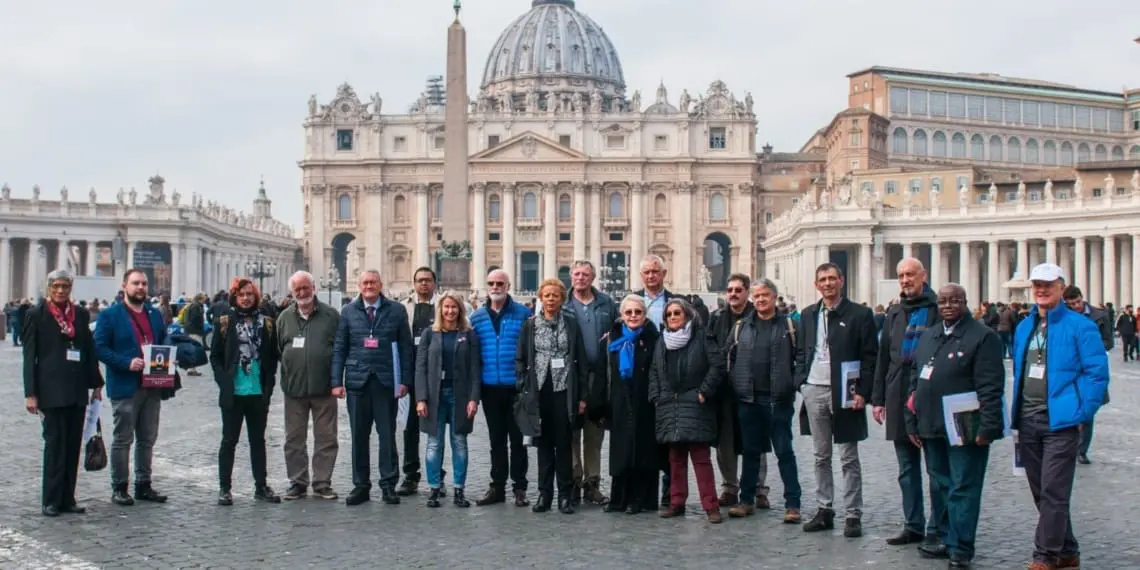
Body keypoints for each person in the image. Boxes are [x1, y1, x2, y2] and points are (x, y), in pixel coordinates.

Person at [1013, 264, 1109, 570]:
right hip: (1027, 419)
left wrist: (1082, 413)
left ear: (1061, 288)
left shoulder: (1081, 326)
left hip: (1062, 422)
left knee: (1054, 490)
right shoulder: (1024, 327)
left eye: (1048, 285)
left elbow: (1097, 374)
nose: (1041, 290)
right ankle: (1068, 550)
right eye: (1037, 285)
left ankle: (1045, 556)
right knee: (1041, 491)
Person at [906, 283, 1005, 568]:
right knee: (940, 484)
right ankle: (946, 537)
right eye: (943, 301)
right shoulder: (930, 336)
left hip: (966, 424)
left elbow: (991, 386)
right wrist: (912, 421)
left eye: (955, 301)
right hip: (931, 422)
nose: (948, 306)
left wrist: (988, 426)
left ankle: (961, 547)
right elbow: (914, 380)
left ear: (965, 302)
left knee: (963, 486)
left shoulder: (983, 337)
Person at [795, 263, 877, 538]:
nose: (828, 283)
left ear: (841, 281)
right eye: (823, 279)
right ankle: (824, 508)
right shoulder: (808, 314)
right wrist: (801, 382)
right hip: (814, 387)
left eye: (832, 278)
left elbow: (869, 356)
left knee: (848, 456)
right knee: (821, 455)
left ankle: (853, 513)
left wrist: (863, 391)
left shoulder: (860, 314)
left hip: (846, 390)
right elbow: (801, 351)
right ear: (816, 284)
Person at [872, 258, 945, 549]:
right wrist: (878, 398)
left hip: (928, 396)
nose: (905, 280)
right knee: (906, 468)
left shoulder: (938, 309)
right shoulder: (894, 312)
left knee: (936, 469)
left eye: (910, 274)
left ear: (923, 276)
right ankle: (913, 524)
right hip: (897, 392)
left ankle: (938, 527)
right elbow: (883, 356)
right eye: (901, 275)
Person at [23, 270, 104, 516]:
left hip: (76, 388)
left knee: (72, 445)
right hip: (50, 390)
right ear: (49, 287)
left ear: (71, 288)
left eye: (65, 286)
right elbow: (29, 357)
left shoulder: (80, 314)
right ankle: (51, 499)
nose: (60, 290)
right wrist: (30, 393)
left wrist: (96, 384)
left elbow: (88, 350)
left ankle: (68, 497)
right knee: (55, 444)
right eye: (56, 286)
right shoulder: (36, 314)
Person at [331, 270, 414, 506]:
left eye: (373, 282)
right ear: (359, 286)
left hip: (386, 381)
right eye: (365, 283)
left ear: (380, 284)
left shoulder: (396, 310)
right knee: (359, 436)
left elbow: (406, 348)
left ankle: (388, 485)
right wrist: (336, 381)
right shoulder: (348, 311)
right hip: (357, 382)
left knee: (387, 435)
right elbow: (340, 347)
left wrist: (405, 381)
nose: (369, 286)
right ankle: (361, 485)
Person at [724, 278, 799, 522]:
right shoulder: (741, 327)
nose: (760, 299)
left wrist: (792, 383)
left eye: (765, 295)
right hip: (749, 399)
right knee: (750, 452)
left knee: (784, 452)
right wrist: (736, 384)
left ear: (774, 297)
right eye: (756, 296)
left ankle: (793, 504)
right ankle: (746, 500)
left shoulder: (789, 326)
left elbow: (801, 356)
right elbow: (729, 357)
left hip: (779, 399)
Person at [94, 268, 170, 507]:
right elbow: (99, 348)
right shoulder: (110, 315)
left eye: (144, 284)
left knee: (147, 438)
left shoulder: (154, 314)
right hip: (125, 385)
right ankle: (119, 487)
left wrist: (169, 354)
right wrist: (125, 362)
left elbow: (163, 338)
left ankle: (143, 484)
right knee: (123, 438)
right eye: (136, 283)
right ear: (124, 286)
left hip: (153, 383)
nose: (140, 288)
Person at [515, 279, 589, 514]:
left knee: (564, 444)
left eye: (555, 295)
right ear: (540, 298)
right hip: (539, 391)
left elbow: (581, 360)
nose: (550, 299)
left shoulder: (571, 324)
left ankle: (565, 495)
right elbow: (521, 358)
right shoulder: (530, 325)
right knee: (544, 445)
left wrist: (582, 396)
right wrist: (522, 385)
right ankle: (544, 494)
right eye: (546, 295)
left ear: (562, 299)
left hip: (564, 390)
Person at [650, 298, 724, 524]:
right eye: (669, 314)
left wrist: (704, 392)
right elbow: (654, 370)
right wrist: (656, 396)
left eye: (677, 313)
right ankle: (676, 502)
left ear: (688, 315)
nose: (672, 317)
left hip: (695, 402)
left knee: (701, 458)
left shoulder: (701, 337)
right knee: (675, 458)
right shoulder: (662, 341)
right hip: (669, 404)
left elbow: (717, 365)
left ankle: (711, 506)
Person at [210, 278, 282, 505]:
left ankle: (261, 486)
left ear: (255, 296)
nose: (245, 298)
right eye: (241, 295)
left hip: (258, 391)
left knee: (258, 441)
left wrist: (269, 384)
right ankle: (225, 488)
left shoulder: (267, 323)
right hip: (233, 392)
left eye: (249, 294)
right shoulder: (224, 322)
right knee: (229, 441)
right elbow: (215, 357)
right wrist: (224, 381)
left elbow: (272, 357)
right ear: (235, 297)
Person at [469, 269, 532, 507]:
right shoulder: (477, 317)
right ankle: (497, 486)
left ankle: (519, 487)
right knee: (496, 440)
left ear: (508, 286)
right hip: (490, 387)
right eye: (491, 283)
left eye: (500, 283)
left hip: (516, 387)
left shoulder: (523, 314)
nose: (495, 287)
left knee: (518, 440)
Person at [276, 271, 341, 501]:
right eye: (298, 289)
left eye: (306, 287)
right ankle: (298, 482)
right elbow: (279, 349)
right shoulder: (284, 318)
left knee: (326, 438)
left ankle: (322, 482)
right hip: (294, 389)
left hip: (324, 388)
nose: (302, 292)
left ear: (314, 287)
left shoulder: (331, 316)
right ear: (292, 292)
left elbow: (340, 350)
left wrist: (337, 381)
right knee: (294, 439)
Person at [414, 292, 481, 508]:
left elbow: (475, 369)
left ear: (460, 310)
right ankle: (434, 488)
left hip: (460, 395)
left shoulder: (469, 335)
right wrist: (421, 398)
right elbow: (420, 368)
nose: (450, 311)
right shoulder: (429, 334)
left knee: (459, 442)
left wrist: (474, 398)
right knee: (434, 443)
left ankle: (459, 489)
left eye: (454, 307)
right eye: (446, 307)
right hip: (434, 395)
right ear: (440, 309)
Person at [600, 295, 659, 514]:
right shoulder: (612, 338)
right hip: (619, 401)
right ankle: (618, 498)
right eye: (628, 312)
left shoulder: (653, 338)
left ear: (645, 315)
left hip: (645, 401)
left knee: (643, 451)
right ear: (621, 315)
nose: (633, 316)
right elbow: (603, 371)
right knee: (620, 451)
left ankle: (640, 499)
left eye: (638, 312)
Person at [565, 260, 617, 505]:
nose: (580, 278)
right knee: (572, 432)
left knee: (594, 433)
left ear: (593, 277)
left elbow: (618, 331)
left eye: (585, 274)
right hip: (571, 376)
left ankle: (592, 482)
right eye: (577, 274)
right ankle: (574, 480)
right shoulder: (563, 303)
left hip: (599, 375)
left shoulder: (607, 303)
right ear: (570, 276)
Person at [706, 273, 753, 508]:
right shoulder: (716, 317)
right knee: (725, 440)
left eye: (738, 290)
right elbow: (708, 346)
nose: (733, 294)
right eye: (730, 290)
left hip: (752, 386)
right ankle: (729, 486)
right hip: (723, 388)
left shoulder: (757, 315)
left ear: (747, 292)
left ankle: (757, 488)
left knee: (754, 439)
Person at [398, 266, 440, 496]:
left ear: (434, 283)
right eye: (420, 280)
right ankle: (410, 474)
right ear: (414, 284)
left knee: (437, 428)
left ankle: (437, 474)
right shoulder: (403, 307)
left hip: (437, 375)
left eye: (427, 280)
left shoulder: (444, 305)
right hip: (412, 373)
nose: (423, 284)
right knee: (410, 427)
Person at [1060, 285, 1112, 466]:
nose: (1076, 306)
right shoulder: (1062, 317)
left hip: (1090, 370)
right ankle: (1068, 446)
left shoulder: (1100, 316)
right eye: (1072, 304)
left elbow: (1109, 342)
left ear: (1082, 297)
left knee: (1088, 410)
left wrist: (1090, 348)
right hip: (1070, 370)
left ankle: (1082, 450)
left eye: (1078, 302)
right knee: (1068, 407)